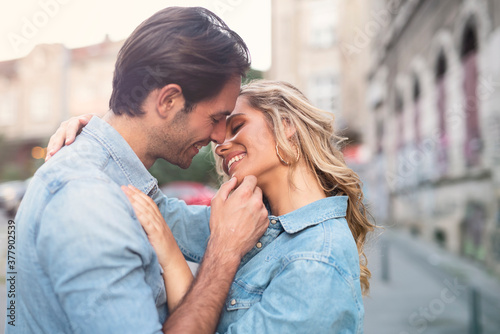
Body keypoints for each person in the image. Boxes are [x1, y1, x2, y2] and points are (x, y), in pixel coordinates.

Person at [7, 7, 268, 334]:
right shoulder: (86, 201)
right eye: (216, 118)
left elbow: (213, 226)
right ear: (168, 101)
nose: (219, 137)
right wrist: (223, 256)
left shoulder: (117, 181)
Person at [50, 80, 375, 333]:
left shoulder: (318, 260)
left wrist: (175, 262)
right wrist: (102, 134)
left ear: (286, 125)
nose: (220, 145)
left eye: (237, 127)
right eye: (220, 133)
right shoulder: (253, 222)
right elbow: (149, 206)